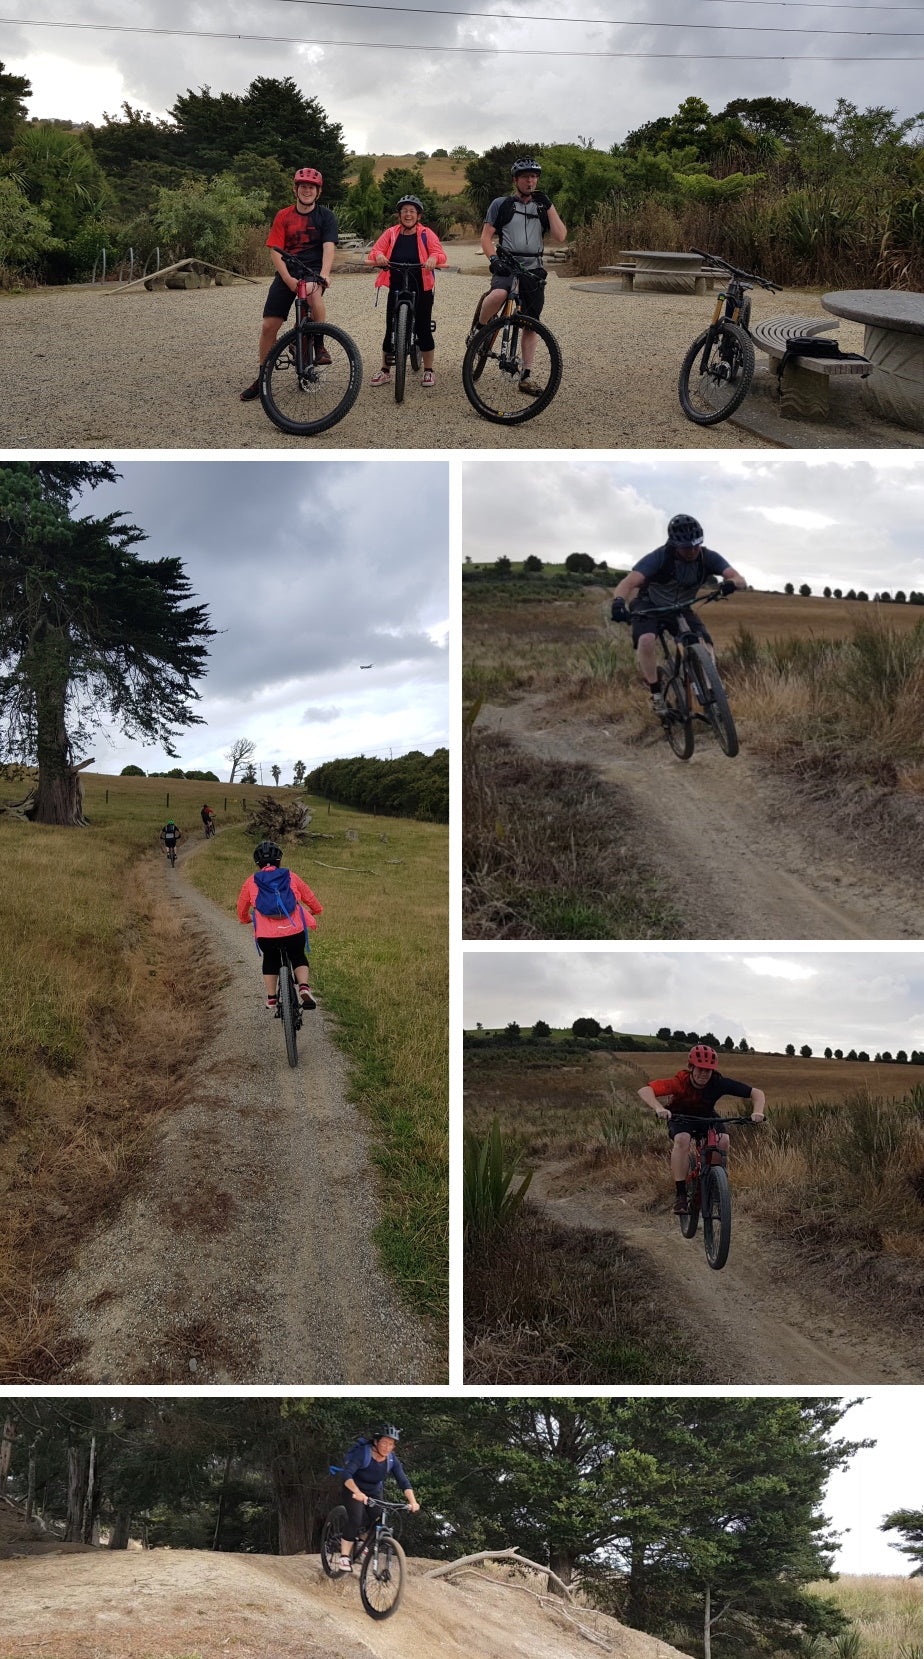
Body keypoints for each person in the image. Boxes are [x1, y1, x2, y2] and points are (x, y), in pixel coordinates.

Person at [610, 514, 747, 716]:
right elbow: (628, 583)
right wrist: (618, 602)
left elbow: (740, 579)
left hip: (681, 607)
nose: (692, 551)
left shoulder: (707, 557)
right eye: (685, 547)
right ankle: (656, 694)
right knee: (646, 640)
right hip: (650, 604)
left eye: (696, 545)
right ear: (674, 544)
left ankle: (712, 695)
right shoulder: (659, 558)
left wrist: (730, 583)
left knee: (704, 643)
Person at [240, 167, 338, 402]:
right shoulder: (283, 215)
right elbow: (275, 250)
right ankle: (263, 376)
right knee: (268, 326)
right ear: (295, 189)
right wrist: (287, 279)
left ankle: (319, 345)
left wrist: (324, 274)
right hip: (288, 271)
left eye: (311, 187)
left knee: (314, 297)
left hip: (313, 270)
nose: (307, 190)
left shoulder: (326, 217)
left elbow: (328, 247)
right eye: (303, 186)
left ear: (318, 192)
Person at [475, 158, 567, 396]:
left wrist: (550, 207)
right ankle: (480, 329)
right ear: (516, 180)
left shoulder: (541, 207)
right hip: (507, 263)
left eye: (534, 177)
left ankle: (526, 376)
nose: (531, 181)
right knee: (498, 294)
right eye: (526, 177)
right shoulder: (501, 204)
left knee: (530, 323)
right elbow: (486, 237)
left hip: (533, 269)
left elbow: (560, 236)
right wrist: (493, 259)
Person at [638, 1044, 766, 1213]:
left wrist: (757, 1112)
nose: (704, 1074)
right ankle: (681, 1195)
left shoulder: (718, 1083)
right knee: (682, 1140)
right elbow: (645, 1090)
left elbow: (757, 1093)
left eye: (708, 1070)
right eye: (700, 1069)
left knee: (723, 1140)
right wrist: (659, 1108)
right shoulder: (679, 1083)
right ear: (691, 1067)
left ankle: (715, 1180)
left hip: (706, 1116)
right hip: (680, 1117)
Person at [366, 195, 448, 389]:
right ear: (399, 215)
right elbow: (375, 250)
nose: (408, 214)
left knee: (423, 328)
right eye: (404, 211)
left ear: (418, 215)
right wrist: (378, 255)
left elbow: (440, 253)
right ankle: (385, 370)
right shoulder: (391, 233)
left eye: (412, 211)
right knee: (390, 328)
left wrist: (434, 259)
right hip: (396, 284)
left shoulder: (426, 233)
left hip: (421, 286)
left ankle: (428, 370)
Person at [236, 840, 322, 1012]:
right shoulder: (290, 876)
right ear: (279, 861)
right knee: (298, 955)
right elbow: (308, 895)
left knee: (270, 959)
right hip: (294, 931)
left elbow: (242, 906)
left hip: (267, 937)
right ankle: (304, 987)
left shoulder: (251, 881)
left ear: (258, 863)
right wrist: (316, 910)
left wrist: (245, 919)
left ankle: (272, 997)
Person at [337, 1425, 420, 1575]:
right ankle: (344, 1556)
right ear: (376, 1442)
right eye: (384, 1443)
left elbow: (403, 1481)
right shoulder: (363, 1453)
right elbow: (347, 1475)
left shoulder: (391, 1459)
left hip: (374, 1491)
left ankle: (362, 1542)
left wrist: (413, 1502)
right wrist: (357, 1492)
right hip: (354, 1488)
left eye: (391, 1444)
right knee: (355, 1519)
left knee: (379, 1518)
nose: (388, 1447)